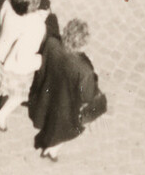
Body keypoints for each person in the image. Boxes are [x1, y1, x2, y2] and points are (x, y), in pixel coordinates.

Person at [28, 16, 104, 163]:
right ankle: (52, 151)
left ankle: (49, 144)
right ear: (83, 44)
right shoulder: (85, 69)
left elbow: (42, 68)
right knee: (95, 109)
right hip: (64, 108)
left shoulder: (51, 43)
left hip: (45, 96)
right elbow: (87, 96)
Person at [0, 0, 49, 131]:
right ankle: (0, 117)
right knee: (19, 95)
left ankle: (1, 99)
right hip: (17, 66)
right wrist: (40, 61)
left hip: (2, 53)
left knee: (5, 82)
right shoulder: (36, 27)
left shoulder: (8, 2)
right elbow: (24, 58)